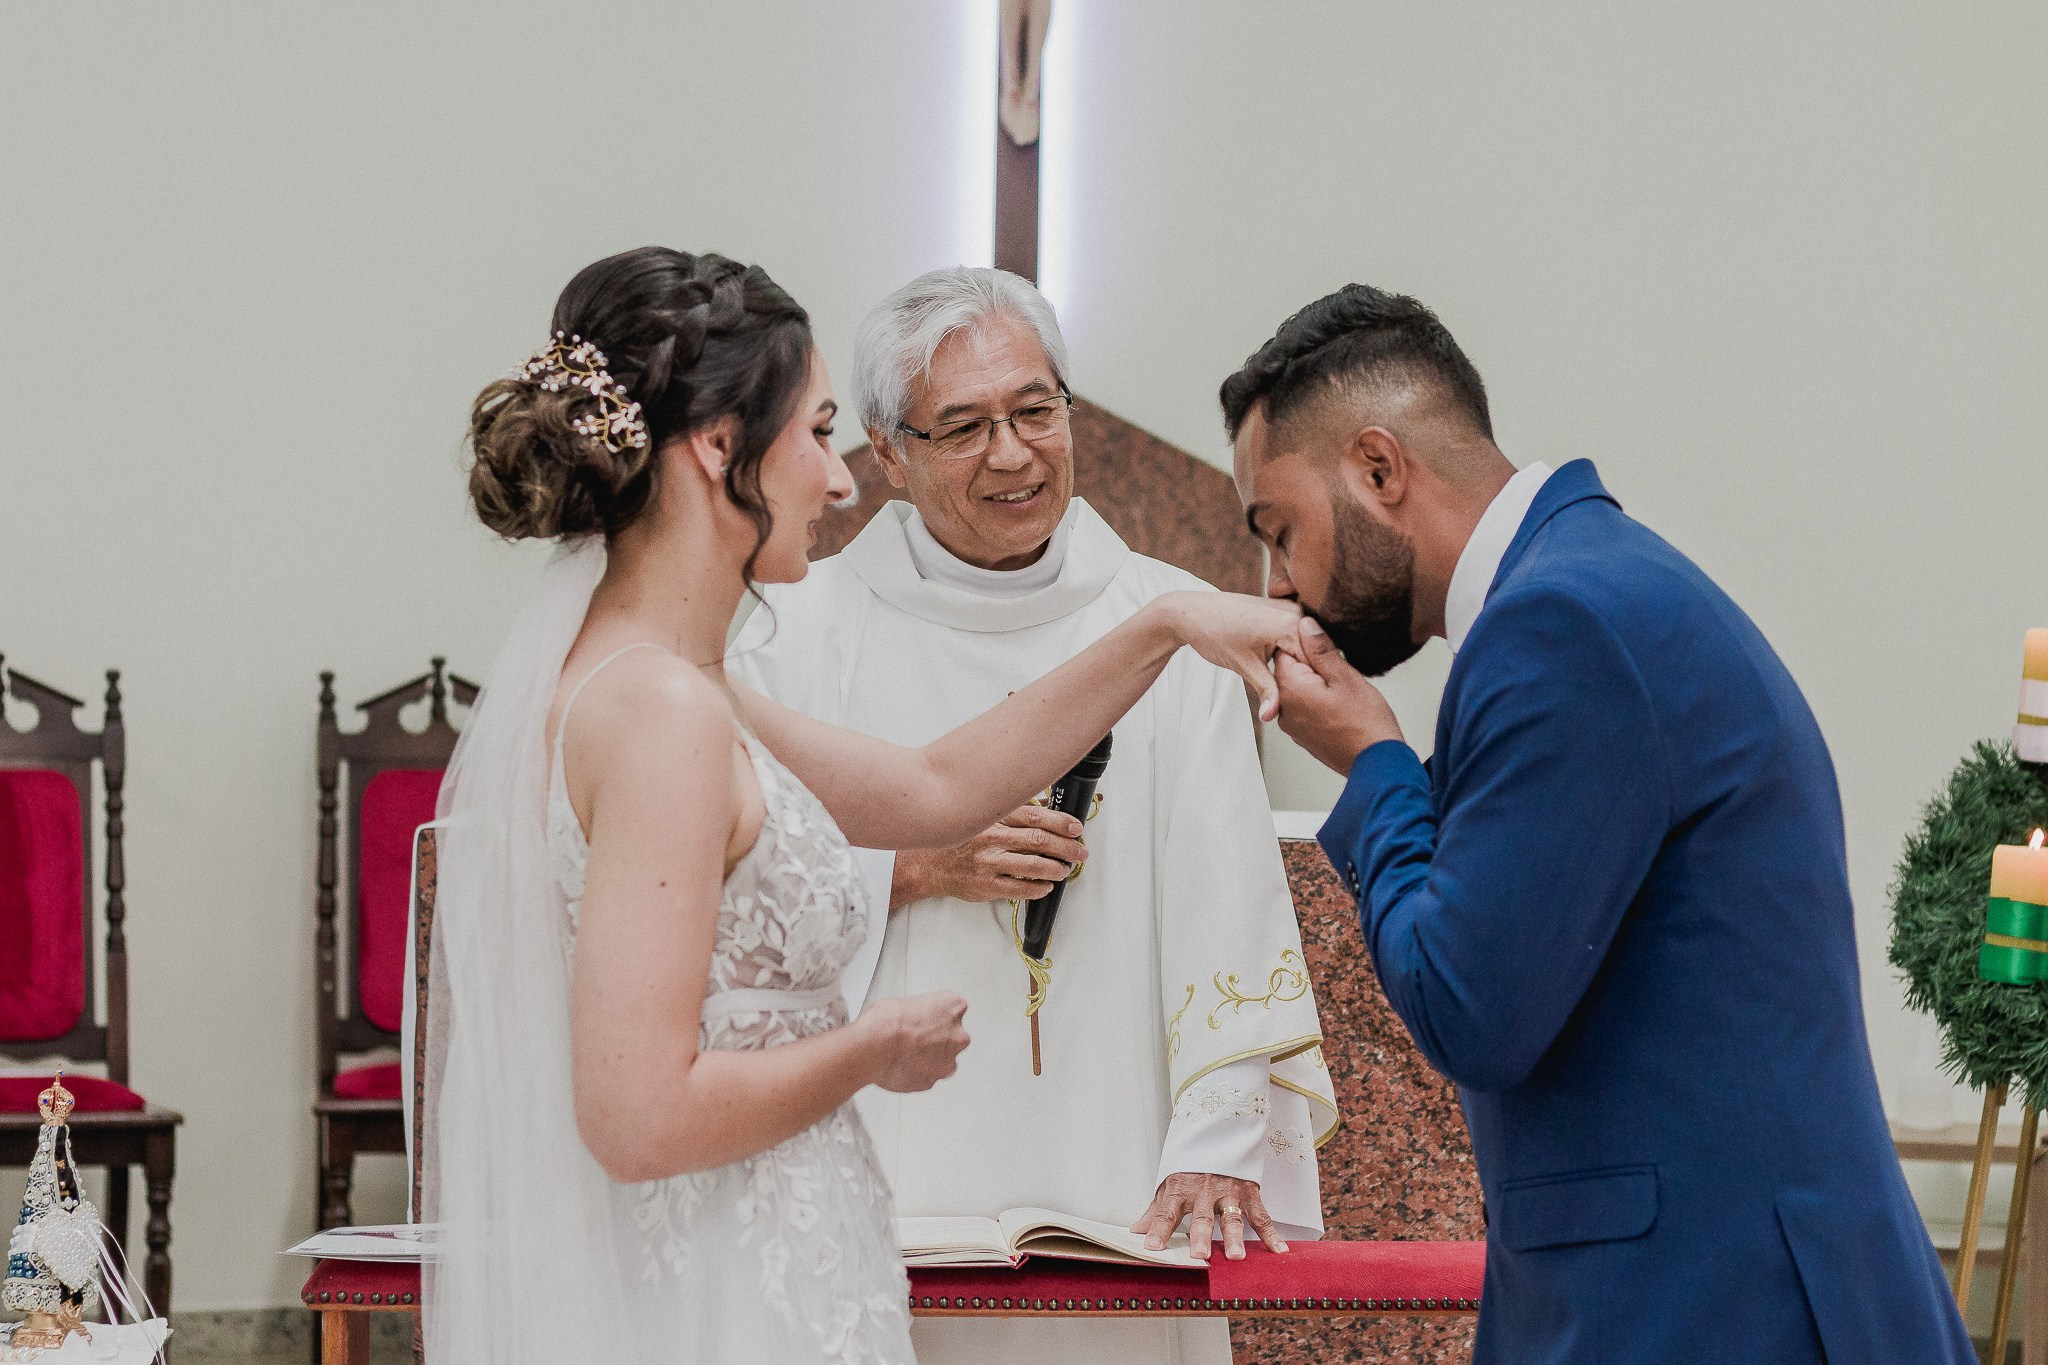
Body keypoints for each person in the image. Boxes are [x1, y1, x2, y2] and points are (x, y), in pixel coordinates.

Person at [420, 247, 1302, 1365]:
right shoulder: (663, 708)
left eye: (1035, 410)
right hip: (738, 1261)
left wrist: (1165, 624)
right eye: (820, 433)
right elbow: (635, 1111)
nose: (840, 482)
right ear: (718, 453)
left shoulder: (697, 683)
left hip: (804, 1247)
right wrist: (870, 1046)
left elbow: (929, 788)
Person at [1224, 283, 1972, 1364]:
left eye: (1278, 531)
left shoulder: (1558, 624)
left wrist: (1375, 761)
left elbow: (1467, 1006)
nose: (1278, 585)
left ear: (1379, 471)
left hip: (1709, 1306)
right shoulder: (1588, 589)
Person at [734, 266, 1336, 1365]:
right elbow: (732, 894)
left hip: (1117, 1170)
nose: (1010, 453)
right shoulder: (796, 637)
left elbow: (1227, 893)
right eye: (961, 425)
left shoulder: (1174, 626)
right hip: (874, 1152)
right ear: (889, 449)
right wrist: (911, 868)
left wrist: (1216, 1143)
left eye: (1033, 409)